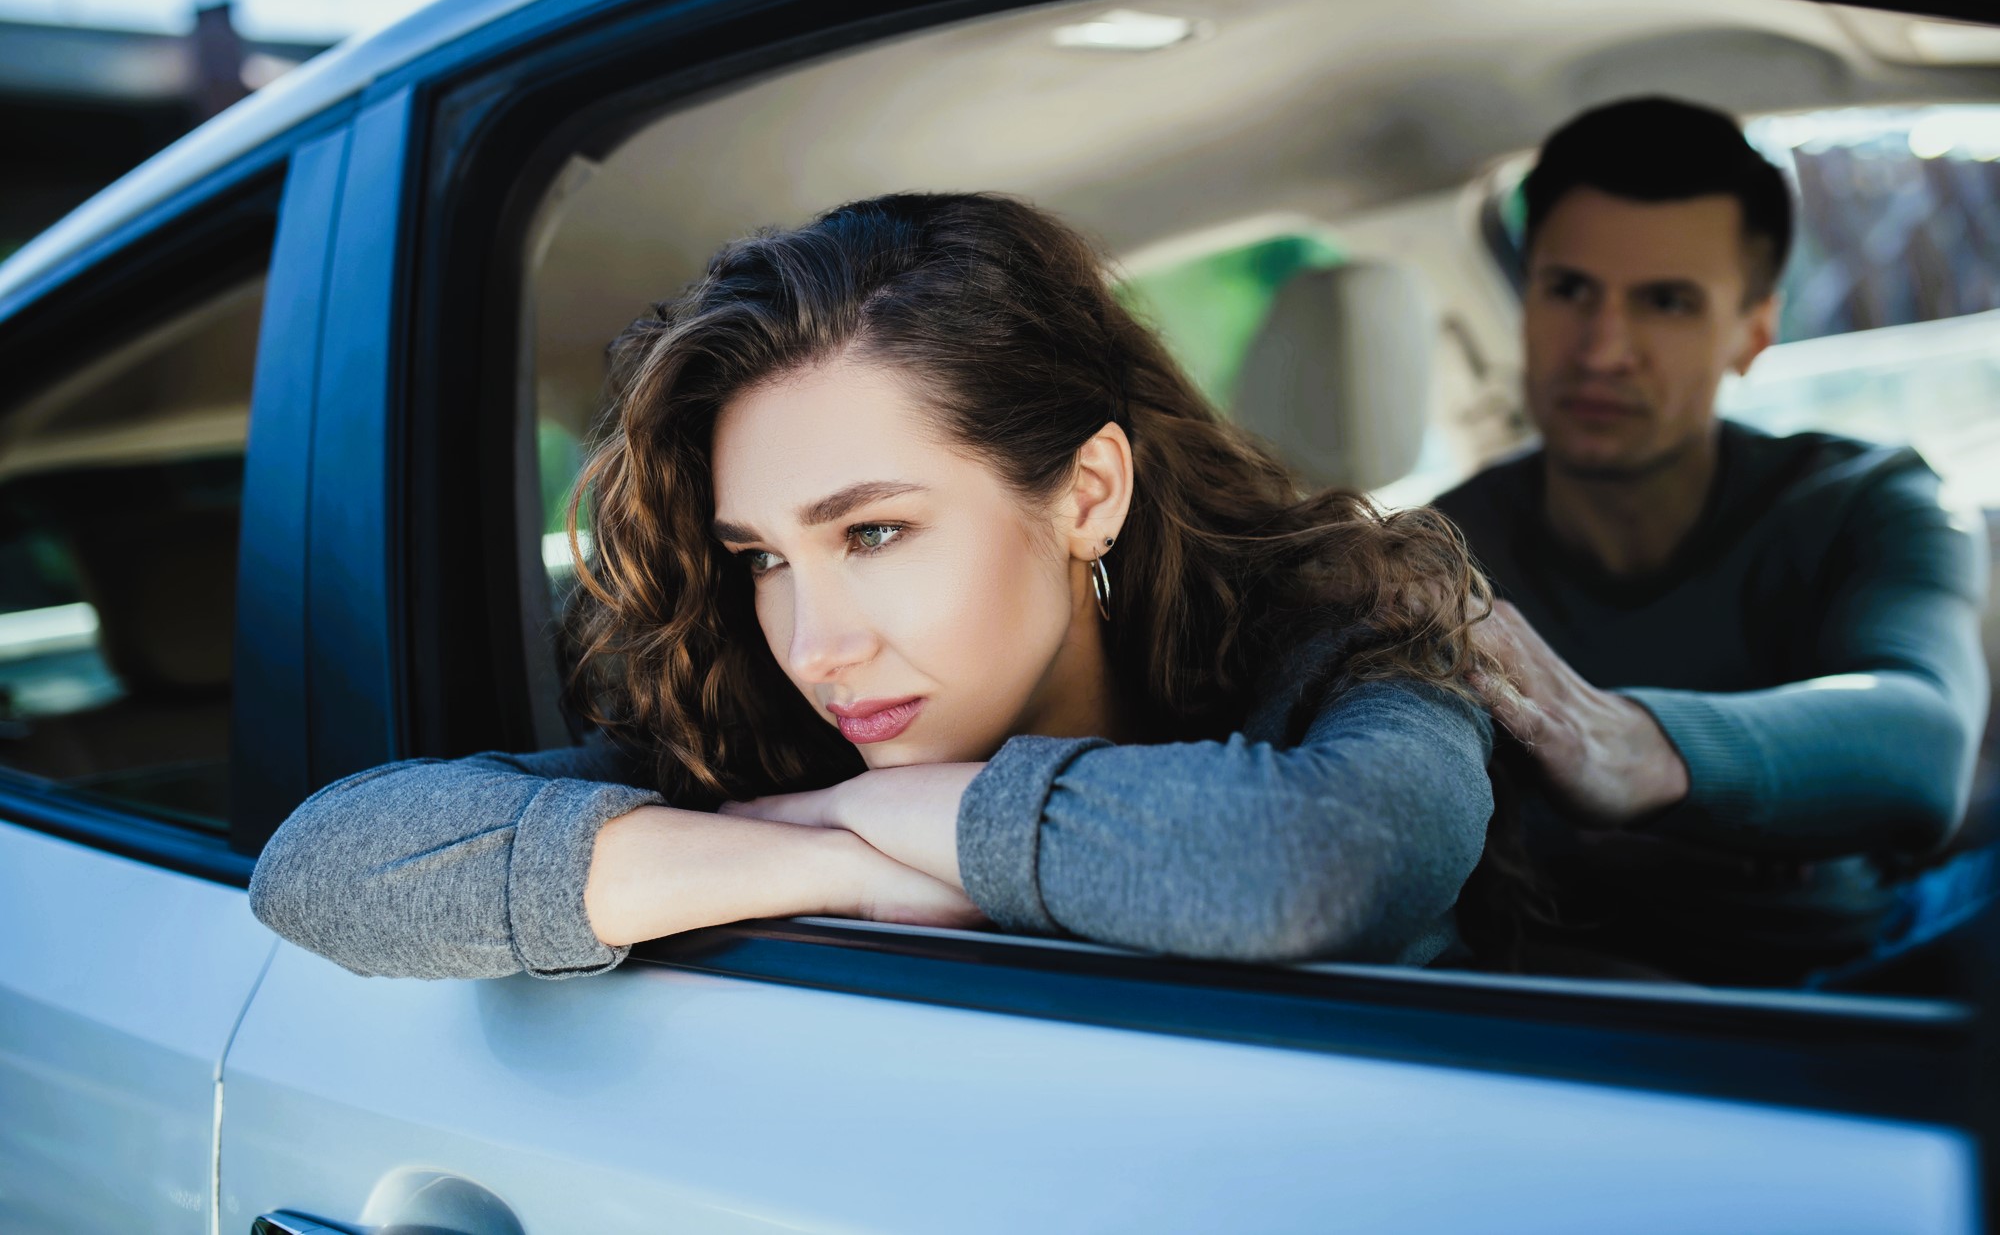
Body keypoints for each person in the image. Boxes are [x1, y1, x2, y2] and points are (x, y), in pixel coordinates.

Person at [250, 192, 1500, 980]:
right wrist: (837, 863)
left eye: (874, 534)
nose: (814, 645)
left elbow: (1319, 862)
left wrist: (931, 819)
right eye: (764, 559)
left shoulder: (1340, 657)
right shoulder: (764, 746)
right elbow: (322, 868)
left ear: (1085, 494)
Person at [1435, 97, 1989, 985]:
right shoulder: (1437, 558)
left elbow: (1925, 735)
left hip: (1865, 974)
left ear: (1754, 332)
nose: (1603, 348)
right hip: (1569, 1003)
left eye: (1666, 302)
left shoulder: (1867, 500)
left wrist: (1632, 745)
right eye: (1569, 289)